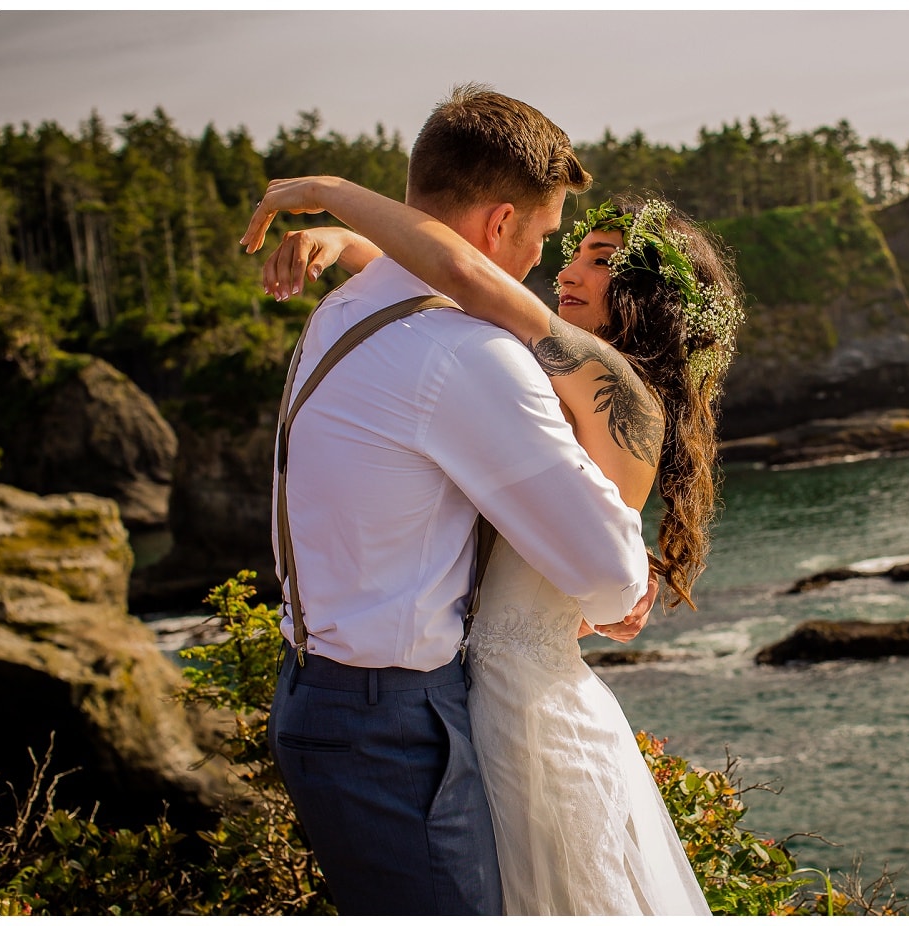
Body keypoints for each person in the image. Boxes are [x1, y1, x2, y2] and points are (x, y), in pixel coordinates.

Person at [241, 97, 743, 914]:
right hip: (420, 718)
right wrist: (349, 231)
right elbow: (462, 287)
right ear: (502, 218)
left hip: (460, 712)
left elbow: (468, 277)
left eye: (595, 259)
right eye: (554, 240)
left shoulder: (589, 383)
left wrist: (334, 198)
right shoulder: (481, 357)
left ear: (643, 298)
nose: (558, 267)